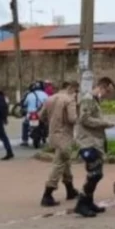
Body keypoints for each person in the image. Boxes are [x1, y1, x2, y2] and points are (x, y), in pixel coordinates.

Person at [75, 77, 115, 216]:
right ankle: (81, 203)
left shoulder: (95, 100)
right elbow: (84, 119)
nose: (107, 95)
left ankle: (88, 201)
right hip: (87, 142)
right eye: (108, 92)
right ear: (102, 87)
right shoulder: (88, 99)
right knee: (94, 174)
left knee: (96, 173)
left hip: (95, 141)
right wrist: (104, 123)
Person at [40, 81, 81, 209]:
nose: (76, 93)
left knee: (65, 161)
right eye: (76, 91)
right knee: (59, 164)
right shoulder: (69, 100)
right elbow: (72, 119)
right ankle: (48, 193)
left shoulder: (50, 99)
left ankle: (70, 189)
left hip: (53, 134)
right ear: (71, 88)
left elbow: (42, 116)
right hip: (65, 136)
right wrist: (79, 111)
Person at [20, 81, 49, 147]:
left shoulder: (29, 94)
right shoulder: (45, 94)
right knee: (46, 123)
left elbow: (24, 104)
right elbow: (48, 103)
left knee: (25, 124)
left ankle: (25, 140)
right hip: (41, 113)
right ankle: (45, 135)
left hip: (31, 114)